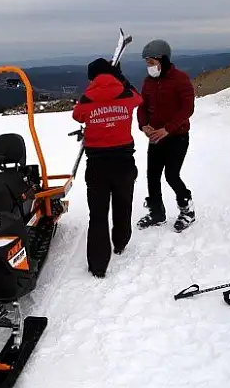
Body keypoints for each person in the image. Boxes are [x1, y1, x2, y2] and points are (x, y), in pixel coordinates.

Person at [72, 58, 143, 278]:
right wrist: (121, 78)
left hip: (97, 165)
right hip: (123, 162)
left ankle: (98, 265)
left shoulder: (87, 97)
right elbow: (139, 98)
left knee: (98, 214)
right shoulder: (126, 94)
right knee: (123, 204)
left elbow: (77, 115)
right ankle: (120, 242)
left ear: (91, 78)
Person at [136, 39, 196, 232]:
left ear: (163, 60)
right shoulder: (148, 82)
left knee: (171, 175)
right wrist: (143, 124)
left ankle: (187, 210)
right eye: (147, 63)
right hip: (156, 137)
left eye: (151, 62)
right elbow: (142, 105)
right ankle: (157, 212)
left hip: (177, 136)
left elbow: (187, 108)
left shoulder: (180, 79)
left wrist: (167, 129)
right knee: (152, 176)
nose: (149, 67)